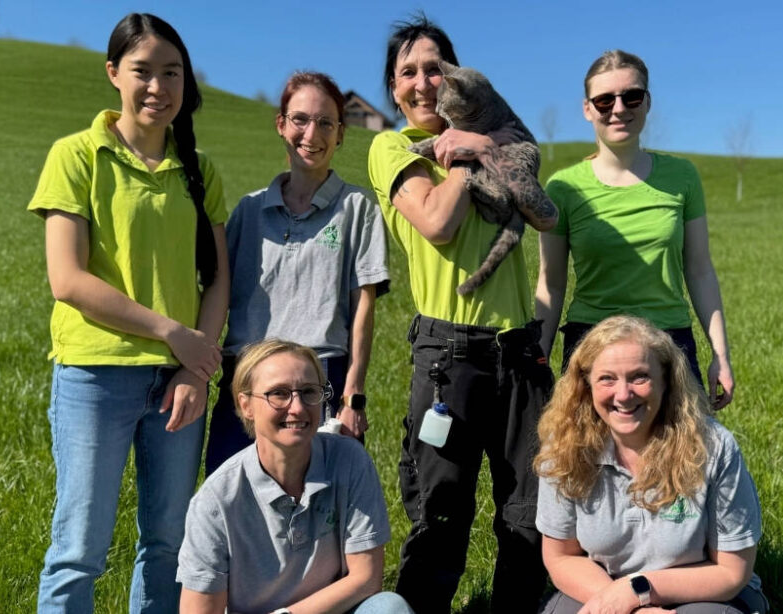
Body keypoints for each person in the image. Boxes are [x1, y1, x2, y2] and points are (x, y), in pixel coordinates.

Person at [28, 13, 229, 612]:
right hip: (95, 376)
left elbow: (217, 277)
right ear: (114, 73)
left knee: (168, 546)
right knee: (79, 550)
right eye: (143, 72)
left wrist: (196, 371)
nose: (158, 87)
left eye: (172, 73)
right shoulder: (76, 155)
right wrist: (174, 334)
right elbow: (67, 279)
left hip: (178, 385)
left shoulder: (200, 170)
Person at [365, 14, 559, 613]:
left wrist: (479, 142)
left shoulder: (495, 136)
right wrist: (462, 154)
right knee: (439, 513)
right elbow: (439, 225)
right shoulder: (391, 147)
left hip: (518, 353)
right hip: (448, 358)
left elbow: (541, 210)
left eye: (434, 69)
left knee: (530, 513)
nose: (423, 83)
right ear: (392, 88)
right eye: (407, 73)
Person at [204, 71, 390, 475]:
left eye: (326, 123)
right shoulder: (248, 211)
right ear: (281, 125)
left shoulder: (358, 208)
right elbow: (216, 291)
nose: (312, 133)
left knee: (315, 510)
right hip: (247, 377)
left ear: (341, 134)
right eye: (301, 120)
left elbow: (364, 308)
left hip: (317, 378)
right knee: (233, 501)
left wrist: (352, 395)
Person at [534, 49, 736, 411]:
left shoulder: (682, 178)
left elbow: (700, 269)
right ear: (587, 109)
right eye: (604, 99)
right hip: (591, 349)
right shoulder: (562, 188)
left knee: (683, 463)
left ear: (647, 102)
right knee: (584, 465)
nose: (618, 108)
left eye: (632, 96)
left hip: (669, 346)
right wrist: (536, 361)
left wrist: (720, 354)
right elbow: (551, 283)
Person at [534, 315, 767, 614]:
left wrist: (637, 592)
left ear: (666, 382)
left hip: (705, 594)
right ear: (586, 384)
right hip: (600, 586)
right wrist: (626, 604)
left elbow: (731, 572)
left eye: (639, 377)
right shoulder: (564, 446)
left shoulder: (713, 445)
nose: (623, 394)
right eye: (607, 378)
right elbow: (561, 558)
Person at [177, 340, 413, 614]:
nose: (298, 408)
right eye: (278, 394)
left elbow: (366, 578)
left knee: (389, 607)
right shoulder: (216, 501)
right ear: (246, 405)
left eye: (308, 392)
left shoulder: (349, 460)